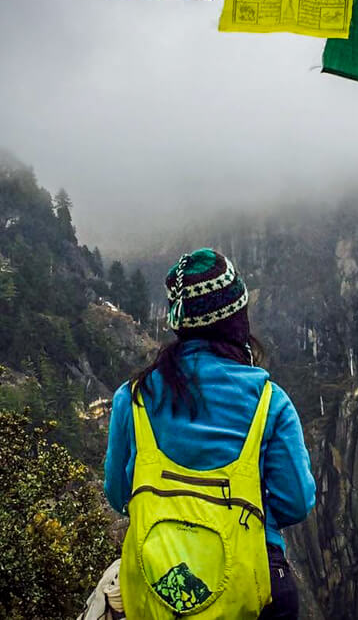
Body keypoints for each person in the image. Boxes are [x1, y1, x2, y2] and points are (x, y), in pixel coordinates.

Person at [104, 248, 315, 619]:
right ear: (237, 318)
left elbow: (119, 493)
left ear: (178, 323)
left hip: (156, 580)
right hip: (250, 581)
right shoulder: (270, 402)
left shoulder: (133, 398)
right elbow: (296, 501)